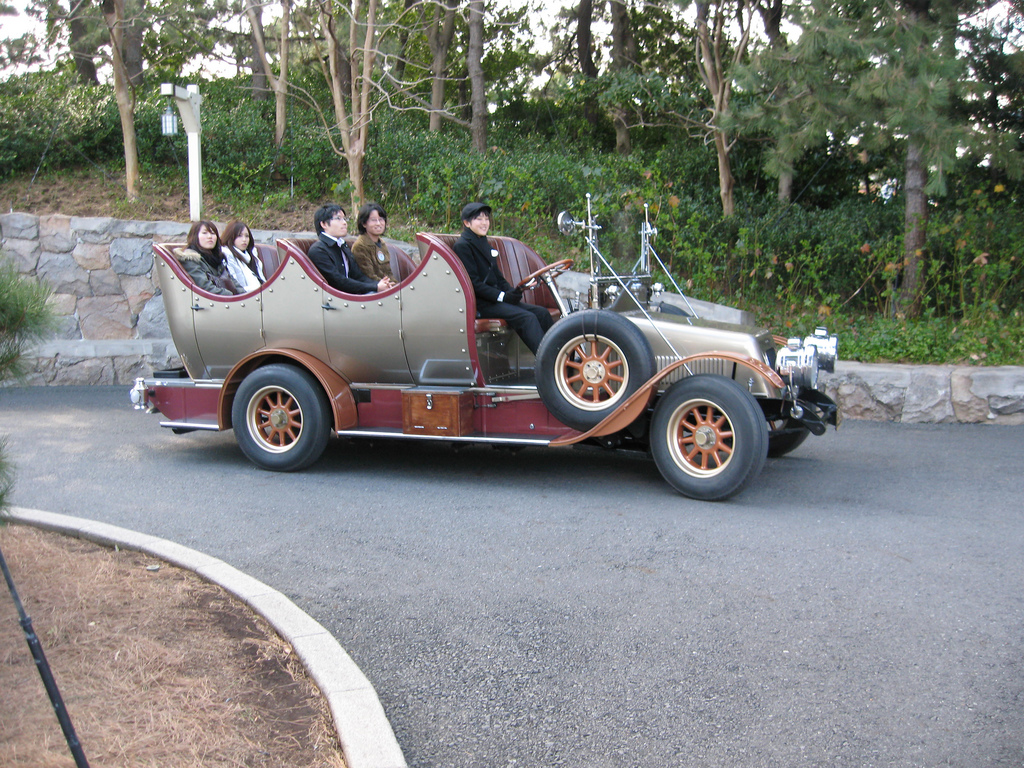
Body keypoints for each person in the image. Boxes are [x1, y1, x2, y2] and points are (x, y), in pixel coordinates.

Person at [452, 202, 554, 355]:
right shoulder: (463, 246)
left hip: (494, 300)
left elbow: (497, 276)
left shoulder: (483, 241)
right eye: (479, 219)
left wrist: (512, 293)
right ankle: (548, 362)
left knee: (542, 313)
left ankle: (561, 356)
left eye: (486, 219)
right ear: (467, 223)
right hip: (481, 304)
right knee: (527, 317)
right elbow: (473, 283)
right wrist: (502, 296)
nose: (484, 223)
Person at [307, 203, 396, 294]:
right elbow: (338, 281)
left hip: (351, 296)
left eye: (344, 219)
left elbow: (358, 276)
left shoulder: (341, 245)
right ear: (324, 224)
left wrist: (381, 285)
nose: (344, 223)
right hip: (338, 299)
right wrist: (375, 287)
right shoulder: (319, 250)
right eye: (338, 218)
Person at [173, 220, 239, 296]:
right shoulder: (190, 259)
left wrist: (245, 296)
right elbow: (206, 287)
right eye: (204, 233)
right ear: (195, 236)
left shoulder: (217, 258)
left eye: (212, 233)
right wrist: (233, 297)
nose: (209, 236)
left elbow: (233, 281)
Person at [351, 202, 394, 283]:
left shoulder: (382, 243)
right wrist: (390, 287)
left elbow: (388, 272)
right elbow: (369, 276)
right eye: (373, 220)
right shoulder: (360, 246)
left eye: (381, 219)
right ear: (364, 223)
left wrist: (396, 286)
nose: (378, 223)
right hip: (374, 291)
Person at [220, 221, 266, 293]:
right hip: (243, 297)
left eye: (247, 236)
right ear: (230, 237)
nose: (244, 240)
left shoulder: (252, 255)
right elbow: (234, 285)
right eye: (239, 236)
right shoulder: (227, 255)